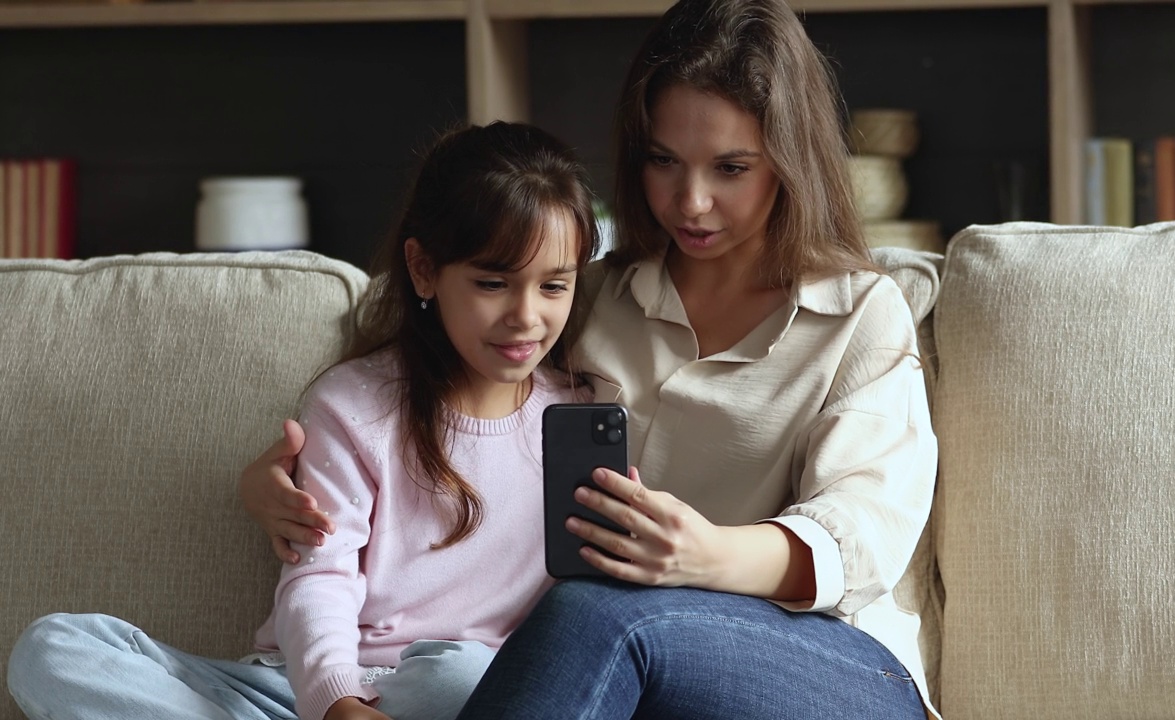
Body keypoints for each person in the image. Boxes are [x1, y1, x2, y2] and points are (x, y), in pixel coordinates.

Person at [240, 0, 939, 718]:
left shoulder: (860, 314)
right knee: (587, 624)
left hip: (827, 669)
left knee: (599, 612)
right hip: (633, 671)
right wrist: (274, 481)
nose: (691, 201)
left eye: (731, 168)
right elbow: (433, 375)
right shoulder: (586, 297)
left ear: (790, 163)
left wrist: (703, 557)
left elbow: (862, 535)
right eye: (663, 161)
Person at [6, 121, 600, 720]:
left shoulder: (582, 418)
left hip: (445, 693)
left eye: (554, 285)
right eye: (492, 283)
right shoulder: (355, 405)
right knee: (52, 649)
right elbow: (320, 576)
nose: (526, 316)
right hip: (295, 690)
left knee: (466, 676)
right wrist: (336, 700)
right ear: (422, 269)